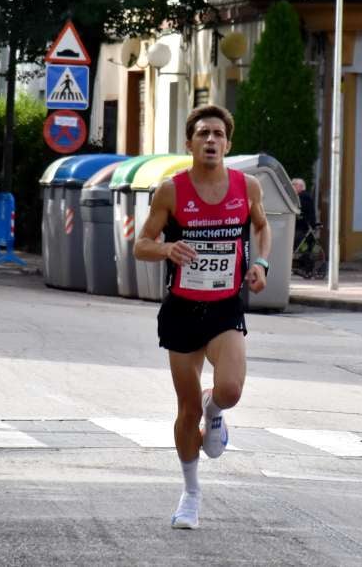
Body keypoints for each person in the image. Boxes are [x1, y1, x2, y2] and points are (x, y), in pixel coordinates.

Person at [134, 104, 272, 529]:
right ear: (189, 142)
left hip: (226, 305)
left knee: (228, 391)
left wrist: (261, 264)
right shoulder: (171, 191)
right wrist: (166, 249)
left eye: (218, 134)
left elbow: (263, 228)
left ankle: (218, 411)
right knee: (186, 408)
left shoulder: (247, 187)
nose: (210, 140)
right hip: (181, 308)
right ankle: (190, 494)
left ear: (228, 144)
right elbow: (142, 244)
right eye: (202, 134)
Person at [291, 177, 317, 246]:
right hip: (303, 225)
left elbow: (297, 209)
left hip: (304, 226)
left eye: (293, 185)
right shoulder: (302, 196)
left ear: (300, 186)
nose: (292, 187)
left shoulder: (303, 196)